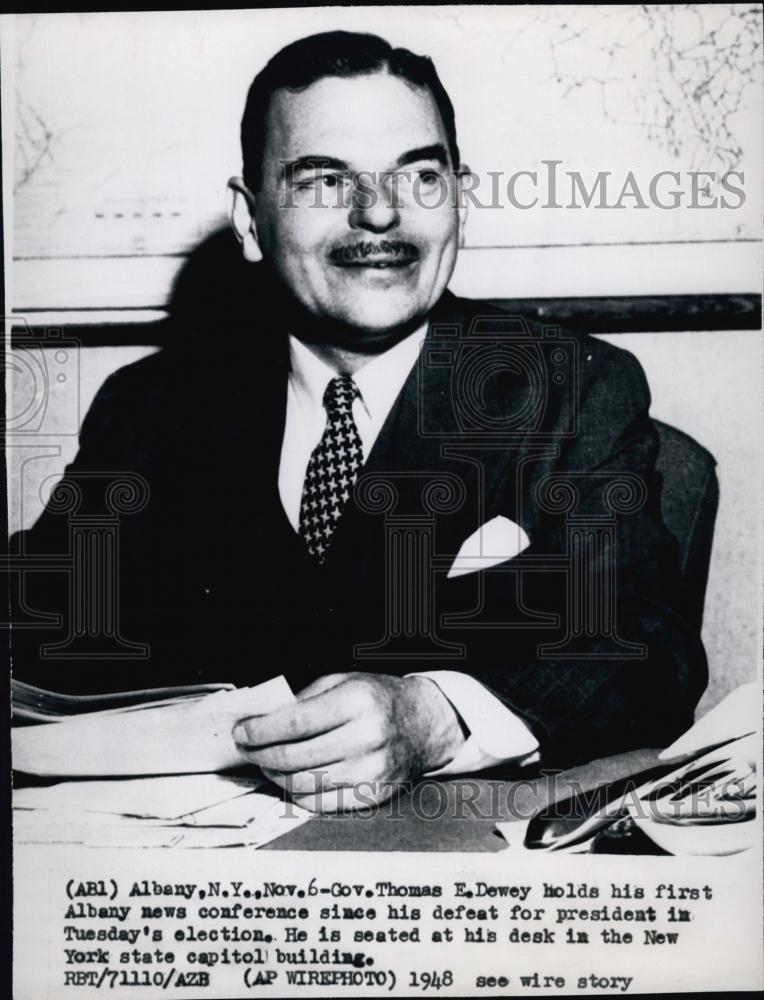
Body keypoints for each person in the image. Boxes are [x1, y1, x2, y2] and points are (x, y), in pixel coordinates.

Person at [10, 30, 708, 811]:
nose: (380, 213)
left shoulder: (570, 391)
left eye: (419, 173)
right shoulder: (153, 408)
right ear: (250, 219)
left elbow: (648, 647)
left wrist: (437, 717)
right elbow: (41, 620)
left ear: (460, 196)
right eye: (322, 180)